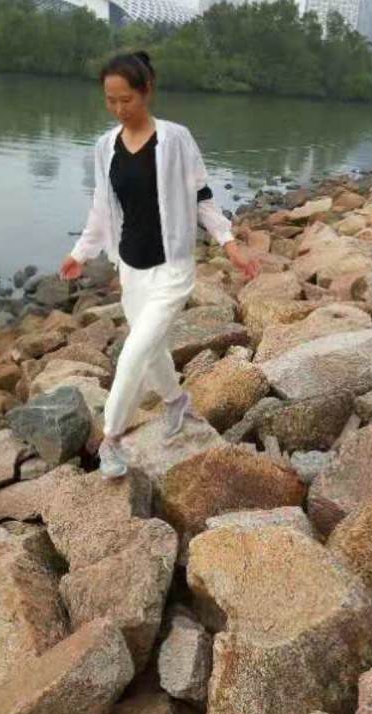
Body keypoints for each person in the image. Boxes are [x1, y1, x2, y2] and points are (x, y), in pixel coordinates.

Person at [59, 51, 260, 478]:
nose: (118, 109)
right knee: (151, 353)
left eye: (126, 99)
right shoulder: (105, 146)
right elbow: (102, 207)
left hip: (172, 269)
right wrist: (81, 252)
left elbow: (202, 197)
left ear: (147, 90)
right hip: (131, 266)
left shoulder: (176, 140)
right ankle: (176, 402)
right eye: (110, 100)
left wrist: (228, 243)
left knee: (133, 352)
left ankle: (111, 439)